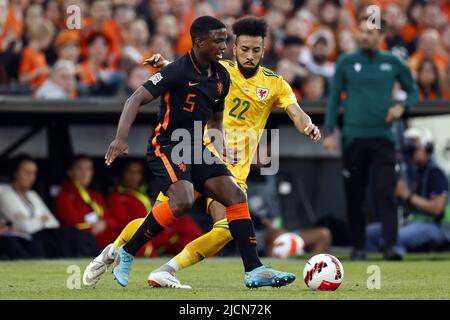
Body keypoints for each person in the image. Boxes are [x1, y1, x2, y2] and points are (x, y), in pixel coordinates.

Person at [84, 16, 320, 289]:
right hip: (195, 153)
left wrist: (308, 126)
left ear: (264, 51)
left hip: (234, 167)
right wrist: (166, 66)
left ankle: (169, 269)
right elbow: (187, 72)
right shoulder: (221, 69)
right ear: (234, 48)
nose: (250, 55)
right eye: (244, 49)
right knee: (166, 212)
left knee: (228, 226)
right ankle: (113, 251)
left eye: (256, 50)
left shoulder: (276, 84)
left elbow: (297, 113)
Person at [323, 16, 419, 260]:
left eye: (371, 32)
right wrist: (329, 130)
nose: (365, 36)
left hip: (383, 137)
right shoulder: (346, 61)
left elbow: (413, 90)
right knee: (355, 194)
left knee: (385, 191)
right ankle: (358, 247)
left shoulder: (393, 61)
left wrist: (402, 107)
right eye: (362, 31)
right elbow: (334, 99)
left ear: (381, 36)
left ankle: (391, 246)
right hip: (354, 137)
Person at [367, 128, 449, 254]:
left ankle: (394, 266)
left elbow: (437, 208)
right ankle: (372, 267)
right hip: (411, 222)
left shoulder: (435, 172)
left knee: (392, 238)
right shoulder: (413, 172)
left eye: (415, 149)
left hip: (435, 225)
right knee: (369, 233)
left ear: (427, 148)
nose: (411, 154)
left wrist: (407, 195)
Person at [107, 159, 203, 257]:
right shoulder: (117, 197)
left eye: (138, 172)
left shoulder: (143, 194)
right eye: (130, 172)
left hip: (160, 231)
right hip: (146, 235)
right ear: (122, 174)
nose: (134, 176)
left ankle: (208, 249)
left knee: (186, 225)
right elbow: (123, 223)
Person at [0, 155, 70, 258]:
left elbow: (54, 223)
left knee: (57, 237)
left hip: (36, 240)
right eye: (27, 173)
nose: (31, 177)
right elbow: (24, 226)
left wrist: (30, 220)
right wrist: (41, 219)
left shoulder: (32, 194)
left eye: (34, 173)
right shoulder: (3, 192)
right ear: (15, 172)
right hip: (16, 241)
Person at [54, 155, 118, 250]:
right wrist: (95, 226)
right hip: (81, 246)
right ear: (70, 172)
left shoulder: (95, 196)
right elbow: (74, 224)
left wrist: (104, 224)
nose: (85, 173)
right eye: (80, 169)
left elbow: (114, 222)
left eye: (88, 169)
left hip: (104, 245)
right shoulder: (64, 196)